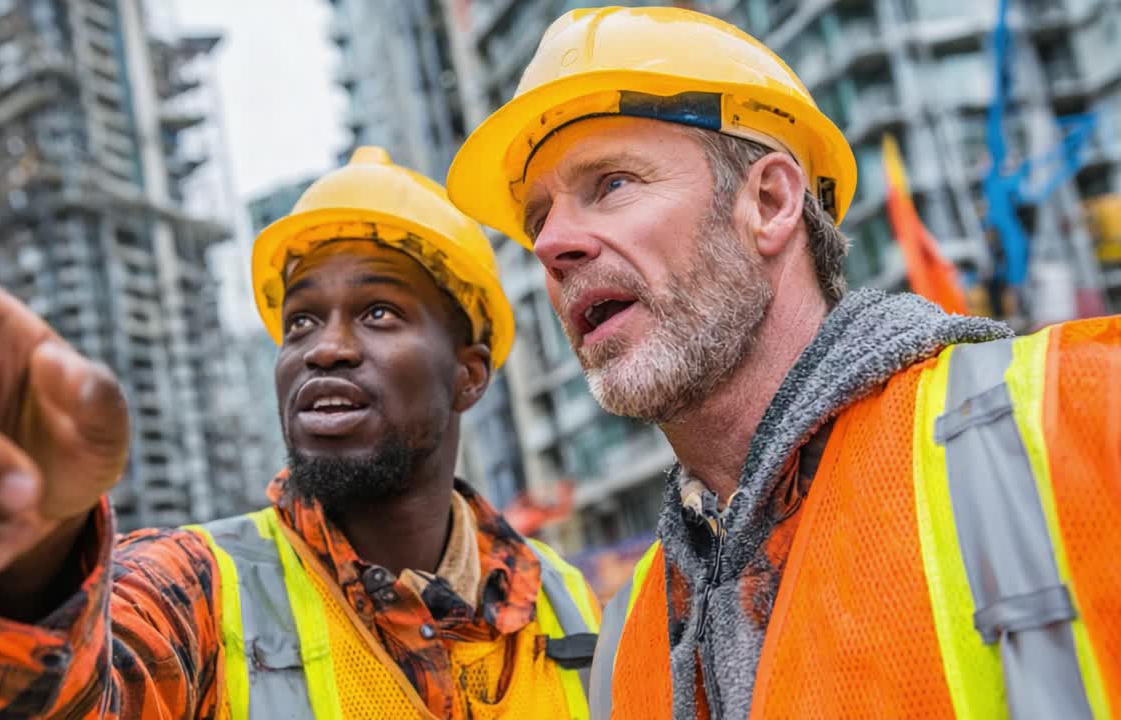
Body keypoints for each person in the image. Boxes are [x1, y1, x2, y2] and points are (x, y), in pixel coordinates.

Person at [446, 7, 1121, 719]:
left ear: (769, 202)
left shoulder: (1074, 414)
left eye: (611, 183)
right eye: (537, 219)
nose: (551, 245)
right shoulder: (629, 637)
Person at [0, 146, 601, 719]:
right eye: (300, 320)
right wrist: (26, 575)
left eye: (378, 312)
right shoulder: (201, 591)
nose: (323, 347)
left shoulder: (573, 611)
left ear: (469, 374)